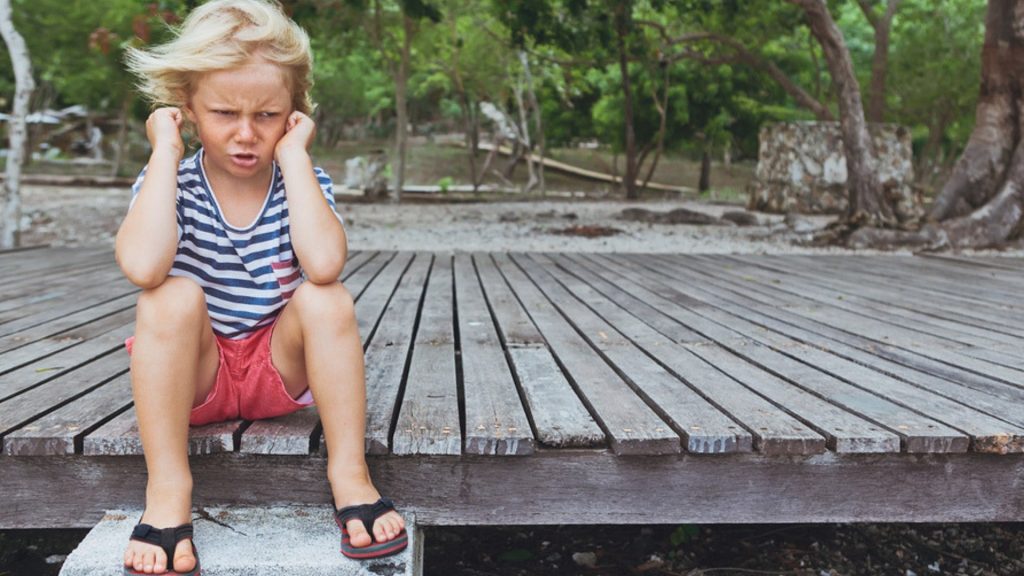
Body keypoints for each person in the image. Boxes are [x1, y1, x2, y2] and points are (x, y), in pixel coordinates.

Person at [116, 1, 406, 573]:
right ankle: (168, 491)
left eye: (268, 116)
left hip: (278, 369)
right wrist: (165, 152)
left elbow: (324, 265)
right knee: (169, 294)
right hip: (197, 375)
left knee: (327, 298)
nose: (246, 134)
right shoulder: (169, 176)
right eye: (224, 112)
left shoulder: (302, 178)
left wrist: (296, 160)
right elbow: (144, 268)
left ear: (294, 115)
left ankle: (349, 473)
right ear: (188, 110)